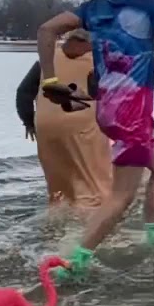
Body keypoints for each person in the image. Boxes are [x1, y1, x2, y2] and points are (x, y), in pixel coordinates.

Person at [37, 0, 154, 282]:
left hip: (107, 111)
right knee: (120, 197)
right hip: (132, 115)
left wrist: (50, 79)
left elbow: (47, 30)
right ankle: (74, 262)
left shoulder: (95, 8)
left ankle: (153, 235)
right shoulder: (150, 5)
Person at [14, 28, 112, 210]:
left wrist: (29, 122)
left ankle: (56, 220)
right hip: (84, 125)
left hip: (46, 126)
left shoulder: (48, 60)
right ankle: (92, 225)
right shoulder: (98, 60)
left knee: (58, 188)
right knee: (95, 184)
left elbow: (23, 92)